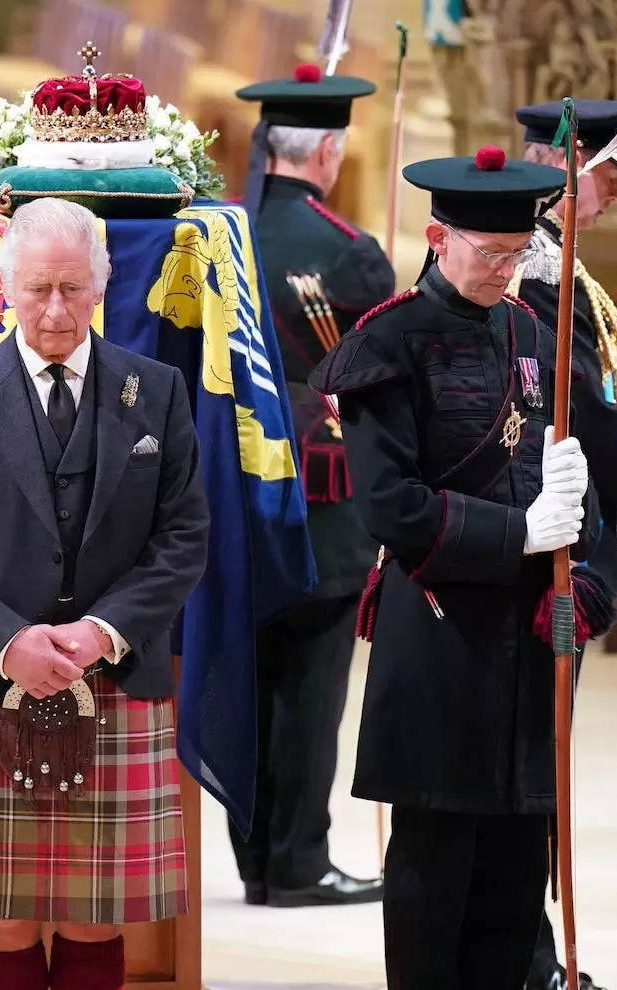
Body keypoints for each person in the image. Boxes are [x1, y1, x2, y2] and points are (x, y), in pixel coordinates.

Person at [0, 197, 210, 990]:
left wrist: (103, 633)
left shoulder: (157, 391)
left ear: (102, 287)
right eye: (39, 289)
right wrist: (9, 643)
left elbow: (184, 537)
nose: (57, 310)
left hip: (116, 677)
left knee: (96, 907)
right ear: (6, 288)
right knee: (2, 911)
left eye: (74, 287)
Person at [309, 147, 598, 989]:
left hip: (526, 639)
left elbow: (544, 463)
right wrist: (520, 530)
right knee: (437, 867)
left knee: (516, 867)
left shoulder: (532, 334)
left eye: (519, 256)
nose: (506, 273)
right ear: (438, 237)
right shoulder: (386, 345)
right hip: (439, 636)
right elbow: (391, 508)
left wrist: (570, 497)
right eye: (489, 254)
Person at [231, 63, 395, 908]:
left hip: (231, 493)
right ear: (328, 150)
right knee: (312, 686)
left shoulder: (215, 235)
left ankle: (255, 857)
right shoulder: (350, 252)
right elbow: (383, 383)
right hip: (324, 498)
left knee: (248, 678)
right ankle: (299, 863)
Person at [513, 99, 617, 990]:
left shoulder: (545, 260)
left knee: (539, 755)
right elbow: (585, 404)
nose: (613, 199)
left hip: (559, 534)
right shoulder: (533, 272)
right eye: (609, 176)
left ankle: (524, 950)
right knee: (534, 761)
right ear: (564, 168)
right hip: (547, 545)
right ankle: (527, 959)